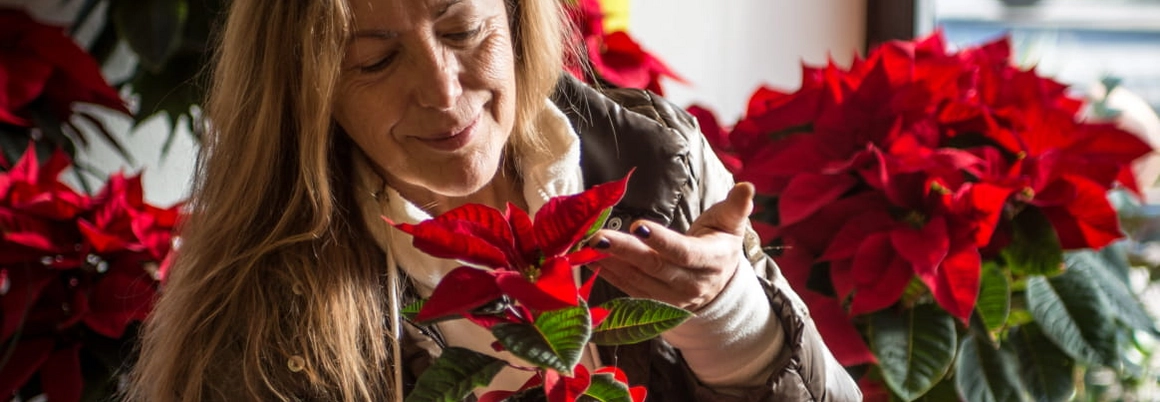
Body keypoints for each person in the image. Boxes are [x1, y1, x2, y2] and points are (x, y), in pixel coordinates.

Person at [126, 0, 861, 400]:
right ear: (309, 91)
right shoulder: (266, 317)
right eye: (375, 61)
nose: (443, 92)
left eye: (463, 30)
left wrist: (728, 316)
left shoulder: (656, 160)